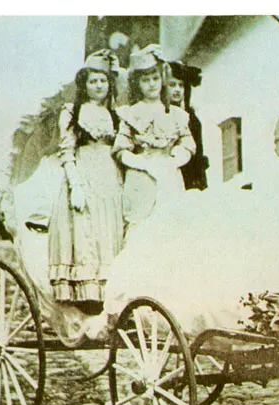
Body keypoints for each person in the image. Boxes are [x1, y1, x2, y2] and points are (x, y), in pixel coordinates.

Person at [48, 49, 125, 312]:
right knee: (86, 231)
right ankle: (86, 296)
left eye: (103, 80)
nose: (99, 86)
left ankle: (109, 295)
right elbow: (67, 152)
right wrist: (75, 186)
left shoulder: (115, 115)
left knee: (109, 230)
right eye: (93, 81)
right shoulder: (73, 112)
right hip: (84, 174)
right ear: (85, 84)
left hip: (110, 178)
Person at [113, 45, 196, 229]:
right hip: (141, 177)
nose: (151, 84)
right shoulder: (130, 113)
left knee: (171, 227)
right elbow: (121, 148)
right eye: (145, 80)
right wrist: (143, 163)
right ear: (137, 83)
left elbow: (188, 142)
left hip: (168, 174)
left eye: (155, 78)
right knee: (141, 227)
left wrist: (176, 158)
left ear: (162, 80)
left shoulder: (175, 114)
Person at [167, 60, 209, 191]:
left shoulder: (191, 119)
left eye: (181, 85)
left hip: (188, 178)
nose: (177, 90)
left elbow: (197, 156)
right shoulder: (158, 113)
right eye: (172, 85)